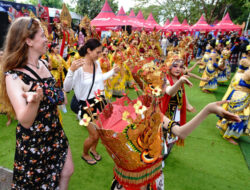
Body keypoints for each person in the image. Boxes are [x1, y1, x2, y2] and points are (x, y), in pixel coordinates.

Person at [0, 17, 73, 189]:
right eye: (42, 35)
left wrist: (55, 93)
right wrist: (34, 102)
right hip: (34, 143)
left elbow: (63, 98)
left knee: (67, 171)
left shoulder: (43, 64)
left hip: (55, 133)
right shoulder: (13, 77)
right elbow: (25, 120)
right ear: (28, 41)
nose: (47, 39)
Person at [63, 38, 119, 165]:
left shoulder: (96, 63)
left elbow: (99, 80)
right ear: (88, 50)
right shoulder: (78, 66)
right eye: (98, 52)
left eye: (101, 52)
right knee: (93, 135)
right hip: (84, 105)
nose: (100, 55)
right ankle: (85, 153)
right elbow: (66, 88)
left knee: (99, 131)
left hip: (98, 101)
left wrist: (112, 72)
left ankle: (93, 149)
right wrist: (70, 71)